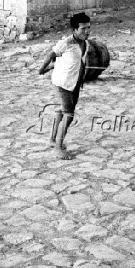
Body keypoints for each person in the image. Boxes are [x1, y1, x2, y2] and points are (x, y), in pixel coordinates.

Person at [38, 12, 91, 159]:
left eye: (88, 28)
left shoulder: (84, 43)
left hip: (74, 83)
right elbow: (51, 55)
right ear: (74, 30)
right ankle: (58, 148)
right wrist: (43, 68)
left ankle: (52, 140)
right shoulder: (66, 43)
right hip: (63, 84)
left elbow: (69, 62)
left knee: (62, 110)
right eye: (83, 29)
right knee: (69, 115)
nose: (87, 31)